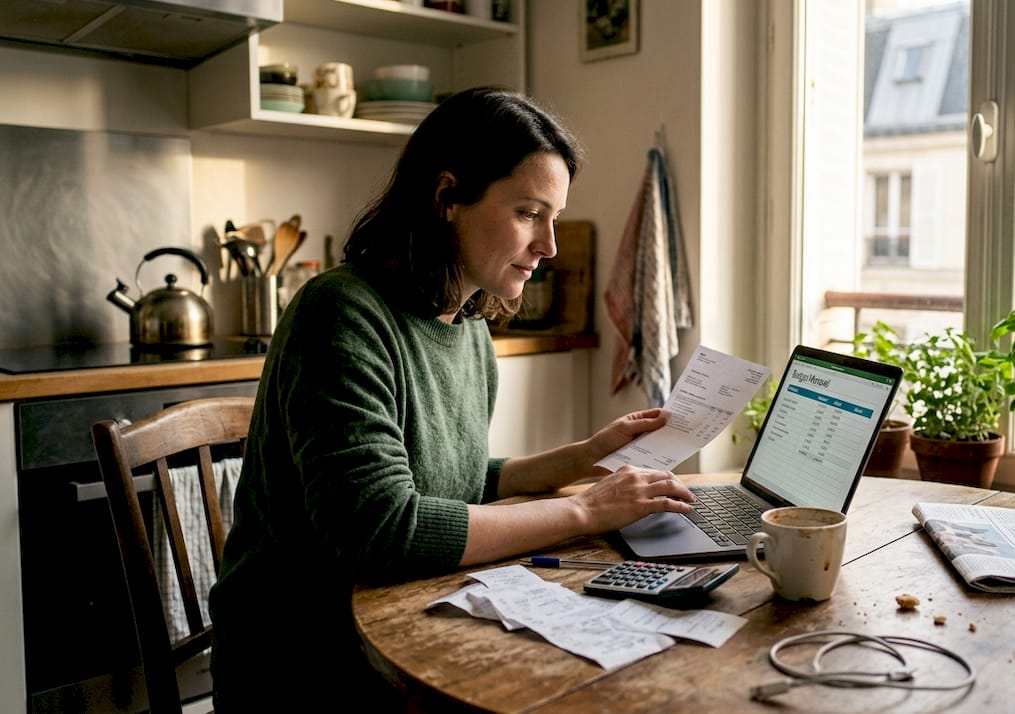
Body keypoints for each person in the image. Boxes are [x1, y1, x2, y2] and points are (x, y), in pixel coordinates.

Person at [209, 87, 696, 712]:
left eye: (554, 217)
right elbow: (382, 528)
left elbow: (450, 482)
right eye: (529, 213)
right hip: (304, 661)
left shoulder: (466, 325)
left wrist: (585, 458)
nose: (549, 244)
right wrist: (586, 511)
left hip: (409, 620)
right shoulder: (340, 312)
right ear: (446, 198)